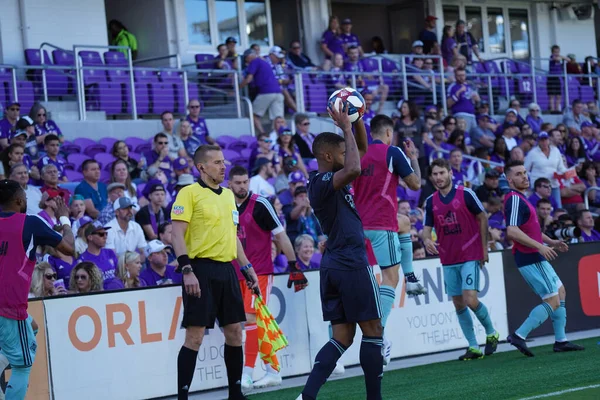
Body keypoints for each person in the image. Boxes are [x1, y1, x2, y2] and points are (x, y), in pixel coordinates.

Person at [298, 101, 383, 400]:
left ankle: (307, 396)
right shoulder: (322, 181)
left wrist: (358, 119)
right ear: (326, 156)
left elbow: (359, 151)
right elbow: (356, 165)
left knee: (343, 337)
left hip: (335, 262)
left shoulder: (328, 179)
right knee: (373, 330)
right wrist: (345, 126)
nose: (348, 156)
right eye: (341, 153)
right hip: (349, 262)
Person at [171, 144, 259, 400]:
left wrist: (247, 267)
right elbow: (177, 234)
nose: (224, 166)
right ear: (202, 167)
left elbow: (233, 237)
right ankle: (183, 397)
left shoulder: (229, 195)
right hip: (200, 270)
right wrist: (187, 269)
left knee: (235, 333)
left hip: (227, 271)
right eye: (218, 162)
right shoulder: (188, 193)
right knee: (195, 337)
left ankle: (235, 394)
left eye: (224, 162)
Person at [352, 114, 424, 364]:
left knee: (404, 221)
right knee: (390, 279)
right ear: (389, 133)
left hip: (357, 226)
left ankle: (412, 276)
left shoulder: (358, 152)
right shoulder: (392, 153)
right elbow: (415, 185)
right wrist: (413, 157)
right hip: (382, 224)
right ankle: (378, 337)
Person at [228, 166, 302, 390]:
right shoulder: (224, 204)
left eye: (245, 182)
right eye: (238, 183)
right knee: (256, 322)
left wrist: (293, 265)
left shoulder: (261, 204)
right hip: (234, 272)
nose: (242, 186)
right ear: (229, 184)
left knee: (250, 319)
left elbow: (280, 235)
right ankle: (273, 370)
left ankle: (247, 374)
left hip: (259, 271)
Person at [0, 179, 74, 399]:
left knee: (32, 328)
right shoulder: (30, 223)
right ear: (20, 200)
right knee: (23, 365)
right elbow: (69, 249)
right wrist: (64, 219)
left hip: (7, 306)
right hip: (9, 305)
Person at [502, 160, 584, 356]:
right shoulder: (513, 198)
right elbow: (512, 231)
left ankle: (560, 341)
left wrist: (552, 242)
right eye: (519, 174)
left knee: (560, 292)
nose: (524, 176)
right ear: (509, 179)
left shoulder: (522, 197)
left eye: (525, 172)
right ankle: (519, 335)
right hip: (529, 257)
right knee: (553, 299)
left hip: (533, 254)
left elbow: (531, 230)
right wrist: (540, 247)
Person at [422, 159, 499, 360]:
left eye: (441, 173)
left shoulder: (465, 193)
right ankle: (473, 346)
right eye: (435, 174)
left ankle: (492, 332)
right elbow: (426, 229)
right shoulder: (431, 201)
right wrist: (426, 240)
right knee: (458, 303)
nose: (438, 177)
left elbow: (482, 217)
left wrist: (484, 248)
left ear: (450, 173)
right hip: (447, 257)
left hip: (469, 254)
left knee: (470, 299)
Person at [239, 49, 284, 135]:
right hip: (278, 92)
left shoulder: (255, 61)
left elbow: (248, 79)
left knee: (253, 115)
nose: (246, 61)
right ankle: (280, 136)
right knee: (278, 118)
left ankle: (263, 135)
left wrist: (237, 88)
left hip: (266, 92)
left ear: (249, 56)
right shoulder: (264, 62)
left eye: (246, 58)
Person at [524, 132, 567, 208]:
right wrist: (532, 180)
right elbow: (525, 169)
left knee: (558, 208)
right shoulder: (532, 153)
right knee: (538, 208)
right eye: (541, 140)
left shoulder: (555, 150)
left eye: (545, 140)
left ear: (549, 140)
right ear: (538, 141)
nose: (544, 142)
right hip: (539, 186)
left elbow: (561, 167)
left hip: (553, 184)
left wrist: (565, 173)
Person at [77, 221, 121, 290]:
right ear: (90, 237)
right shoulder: (83, 260)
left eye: (106, 233)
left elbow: (119, 275)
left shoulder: (110, 252)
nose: (105, 237)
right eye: (101, 234)